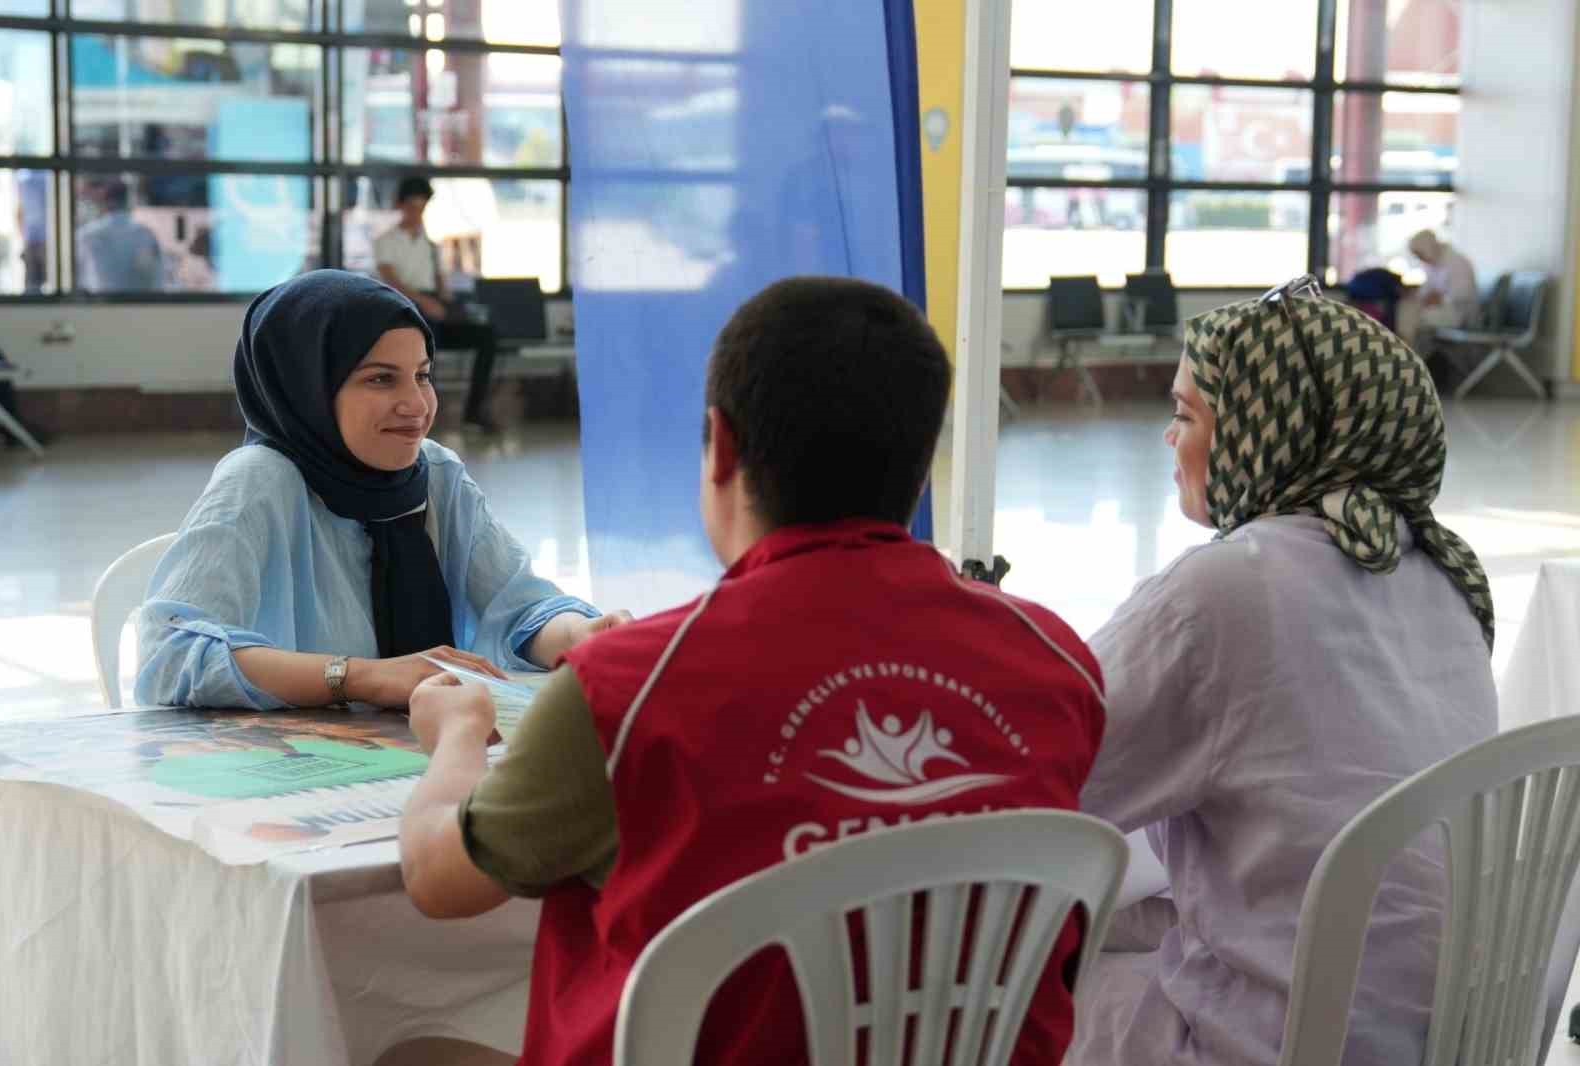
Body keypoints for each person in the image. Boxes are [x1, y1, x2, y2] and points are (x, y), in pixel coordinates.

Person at [397, 276, 1108, 1065]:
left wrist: (457, 730)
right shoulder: (1054, 662)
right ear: (920, 452)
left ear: (721, 445)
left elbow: (438, 879)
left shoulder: (627, 688)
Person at [1067, 276, 1497, 1066]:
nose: (1170, 439)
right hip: (1440, 1032)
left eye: (1187, 414)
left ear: (1272, 430)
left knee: (1009, 972)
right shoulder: (1443, 580)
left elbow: (1052, 774)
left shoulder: (1223, 592)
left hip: (1287, 1039)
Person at [135, 270, 624, 711]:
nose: (416, 404)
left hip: (420, 749)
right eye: (380, 380)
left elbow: (519, 605)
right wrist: (360, 677)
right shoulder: (262, 480)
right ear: (309, 388)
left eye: (422, 375)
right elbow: (171, 655)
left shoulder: (435, 475)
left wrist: (580, 635)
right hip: (296, 773)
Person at [373, 176, 503, 430]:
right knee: (428, 332)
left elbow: (442, 285)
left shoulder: (431, 245)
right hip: (405, 309)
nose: (417, 213)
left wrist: (447, 299)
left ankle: (473, 412)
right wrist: (425, 302)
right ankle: (422, 412)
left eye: (422, 207)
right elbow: (392, 282)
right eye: (412, 207)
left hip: (435, 308)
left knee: (485, 336)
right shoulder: (385, 241)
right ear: (400, 206)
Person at [76, 181, 163, 294]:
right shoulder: (145, 234)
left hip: (97, 305)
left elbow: (77, 279)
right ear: (129, 202)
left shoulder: (86, 235)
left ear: (103, 202)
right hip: (137, 305)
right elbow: (156, 277)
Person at [1409, 228, 1478, 329]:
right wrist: (1425, 297)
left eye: (1420, 255)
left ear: (1426, 249)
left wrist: (1440, 298)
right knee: (1409, 310)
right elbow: (1426, 290)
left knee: (1415, 318)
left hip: (1460, 313)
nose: (1420, 259)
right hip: (1443, 310)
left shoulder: (1457, 261)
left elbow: (1464, 294)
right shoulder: (1432, 264)